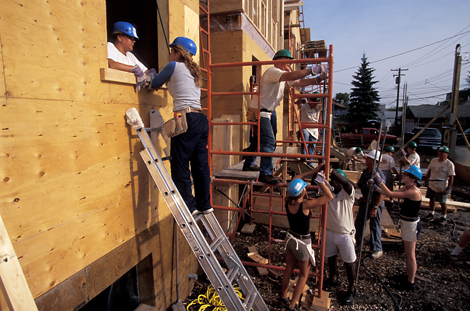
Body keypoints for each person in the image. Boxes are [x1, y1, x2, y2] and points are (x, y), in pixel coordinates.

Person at [149, 37, 212, 216]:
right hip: (200, 119)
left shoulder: (173, 66)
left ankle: (189, 206)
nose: (169, 54)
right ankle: (204, 204)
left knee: (180, 163)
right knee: (200, 165)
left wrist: (151, 73)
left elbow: (154, 83)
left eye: (171, 51)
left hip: (185, 119)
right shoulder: (194, 71)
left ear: (178, 52)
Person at [255, 49, 328, 184]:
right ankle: (265, 173)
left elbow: (300, 82)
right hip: (262, 111)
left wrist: (318, 79)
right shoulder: (273, 71)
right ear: (279, 60)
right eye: (288, 61)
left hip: (270, 111)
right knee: (268, 141)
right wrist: (313, 70)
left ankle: (249, 163)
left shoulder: (283, 76)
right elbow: (292, 75)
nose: (290, 64)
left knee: (263, 141)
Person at [279, 169, 333, 311]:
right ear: (302, 193)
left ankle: (283, 297)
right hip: (302, 243)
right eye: (304, 188)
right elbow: (329, 197)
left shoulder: (288, 202)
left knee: (288, 269)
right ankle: (292, 306)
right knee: (303, 274)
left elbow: (296, 179)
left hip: (290, 239)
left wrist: (315, 170)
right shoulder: (305, 205)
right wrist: (320, 182)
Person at [372, 165, 423, 291]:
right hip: (407, 223)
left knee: (410, 254)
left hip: (411, 225)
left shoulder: (414, 191)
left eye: (406, 175)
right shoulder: (407, 187)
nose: (403, 176)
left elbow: (390, 193)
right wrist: (376, 188)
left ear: (413, 179)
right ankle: (407, 274)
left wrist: (379, 180)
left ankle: (410, 282)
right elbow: (388, 192)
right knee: (407, 254)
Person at [323, 169, 357, 305]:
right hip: (330, 231)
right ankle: (333, 278)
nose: (334, 183)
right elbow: (315, 180)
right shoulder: (328, 193)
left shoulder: (348, 193)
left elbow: (347, 183)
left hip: (345, 234)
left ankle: (352, 288)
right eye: (332, 181)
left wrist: (330, 170)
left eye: (337, 181)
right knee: (331, 257)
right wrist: (322, 170)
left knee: (349, 262)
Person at [354, 150, 386, 259]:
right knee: (359, 223)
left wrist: (375, 207)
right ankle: (358, 244)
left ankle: (377, 249)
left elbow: (382, 193)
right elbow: (360, 183)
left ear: (373, 160)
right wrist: (353, 185)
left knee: (374, 225)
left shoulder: (378, 174)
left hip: (374, 202)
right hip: (366, 201)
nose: (365, 159)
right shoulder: (366, 171)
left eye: (368, 158)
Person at [107, 21, 156, 91]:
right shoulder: (110, 46)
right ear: (119, 37)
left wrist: (151, 72)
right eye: (131, 38)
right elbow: (111, 64)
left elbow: (144, 70)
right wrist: (132, 69)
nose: (134, 41)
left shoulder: (130, 56)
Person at [423, 146, 455, 225]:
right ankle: (431, 213)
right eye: (439, 152)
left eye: (442, 153)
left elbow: (451, 176)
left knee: (442, 202)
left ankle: (444, 217)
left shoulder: (449, 164)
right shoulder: (434, 161)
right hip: (432, 183)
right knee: (431, 199)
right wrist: (426, 180)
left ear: (447, 154)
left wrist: (449, 188)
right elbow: (430, 171)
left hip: (442, 184)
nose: (440, 154)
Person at [298, 92, 323, 163]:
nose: (315, 104)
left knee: (312, 147)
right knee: (305, 136)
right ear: (310, 101)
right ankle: (303, 157)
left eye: (317, 103)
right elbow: (299, 102)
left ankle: (310, 163)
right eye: (314, 102)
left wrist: (322, 96)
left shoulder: (318, 107)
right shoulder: (305, 106)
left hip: (314, 129)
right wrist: (303, 97)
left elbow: (326, 103)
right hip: (305, 127)